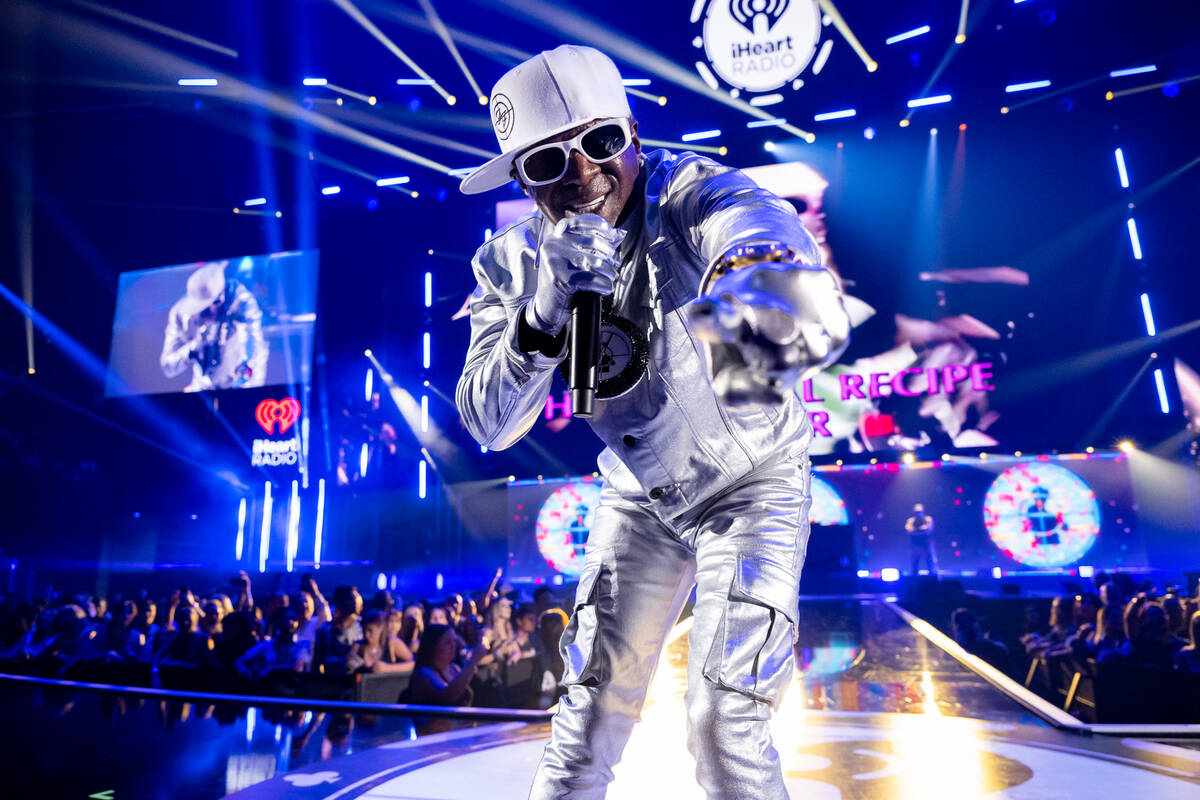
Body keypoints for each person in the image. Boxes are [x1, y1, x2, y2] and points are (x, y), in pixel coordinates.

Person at [455, 46, 850, 799]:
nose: (580, 172)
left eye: (599, 142)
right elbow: (488, 422)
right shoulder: (507, 263)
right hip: (637, 495)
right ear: (519, 179)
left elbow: (756, 226)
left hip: (753, 482)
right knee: (584, 718)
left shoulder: (691, 194)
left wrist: (758, 290)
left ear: (633, 135)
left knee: (722, 720)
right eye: (545, 162)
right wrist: (544, 308)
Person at [159, 260, 268, 391]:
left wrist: (250, 393)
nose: (207, 311)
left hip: (237, 388)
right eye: (201, 307)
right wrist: (193, 348)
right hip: (201, 388)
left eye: (213, 304)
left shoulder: (242, 303)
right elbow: (168, 366)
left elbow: (257, 352)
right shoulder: (180, 314)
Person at [905, 503, 938, 576]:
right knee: (914, 566)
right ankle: (914, 581)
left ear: (923, 511)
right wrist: (921, 530)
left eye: (920, 512)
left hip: (927, 545)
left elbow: (928, 530)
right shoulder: (910, 521)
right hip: (915, 546)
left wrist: (916, 531)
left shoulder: (928, 519)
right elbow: (909, 530)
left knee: (931, 565)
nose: (918, 514)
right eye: (916, 512)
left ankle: (932, 580)